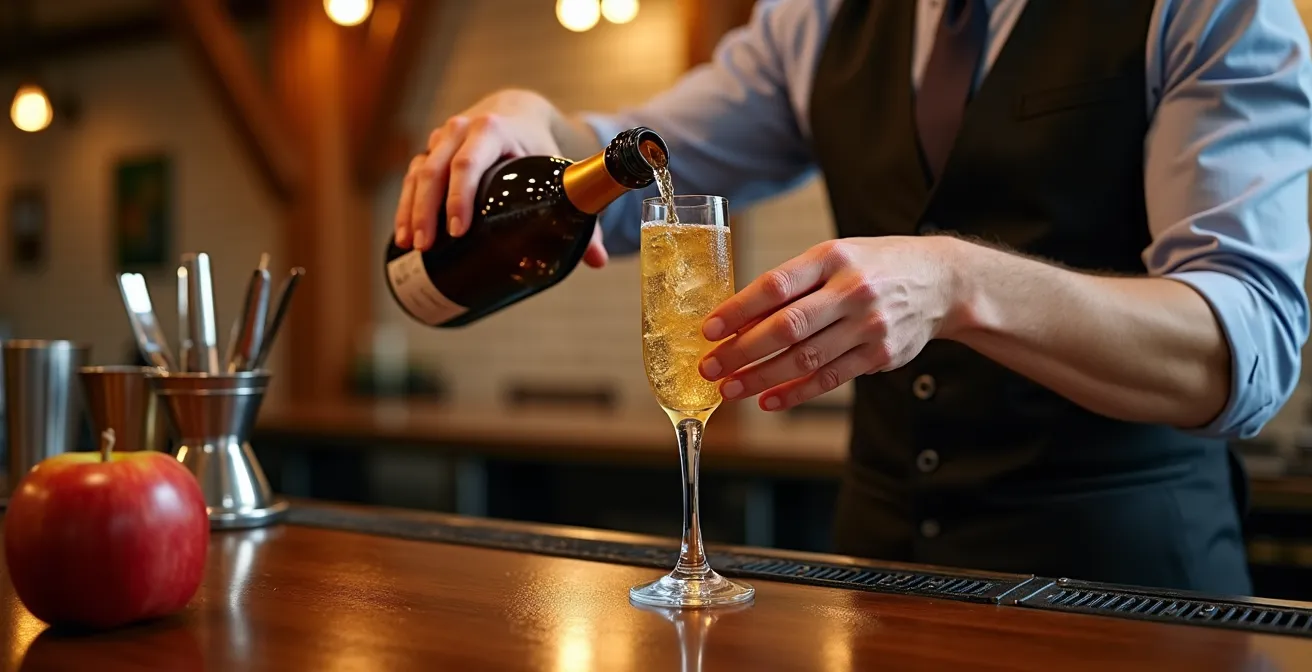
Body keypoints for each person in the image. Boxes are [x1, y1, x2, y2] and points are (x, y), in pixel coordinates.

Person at [393, 0, 1312, 595]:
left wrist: (961, 282)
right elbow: (640, 165)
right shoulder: (819, 18)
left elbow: (1249, 347)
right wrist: (540, 123)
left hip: (1126, 596)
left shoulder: (1209, 10)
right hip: (879, 583)